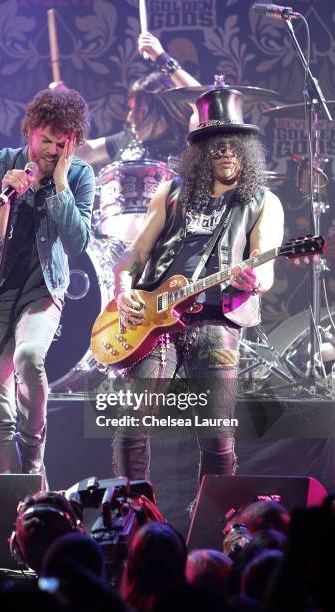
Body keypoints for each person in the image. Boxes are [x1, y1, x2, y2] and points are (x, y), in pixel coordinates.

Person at [112, 87, 285, 483]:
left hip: (216, 318)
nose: (225, 152)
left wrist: (254, 279)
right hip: (155, 318)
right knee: (131, 424)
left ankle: (214, 522)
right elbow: (131, 258)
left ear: (245, 150)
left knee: (217, 435)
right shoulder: (171, 192)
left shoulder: (263, 201)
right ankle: (133, 511)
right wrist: (123, 291)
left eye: (233, 145)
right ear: (202, 150)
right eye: (216, 145)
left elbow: (267, 265)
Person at [0, 89, 95, 485]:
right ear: (30, 131)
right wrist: (6, 202)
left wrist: (61, 186)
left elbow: (77, 243)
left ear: (73, 144)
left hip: (41, 291)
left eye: (61, 144)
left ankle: (32, 463)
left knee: (30, 358)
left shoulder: (80, 176)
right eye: (45, 139)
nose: (50, 151)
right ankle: (7, 495)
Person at [77, 32, 200, 166]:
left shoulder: (189, 140)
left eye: (140, 111)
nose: (130, 118)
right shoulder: (128, 139)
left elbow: (203, 100)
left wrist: (161, 58)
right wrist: (68, 112)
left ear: (165, 111)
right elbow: (87, 152)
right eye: (131, 110)